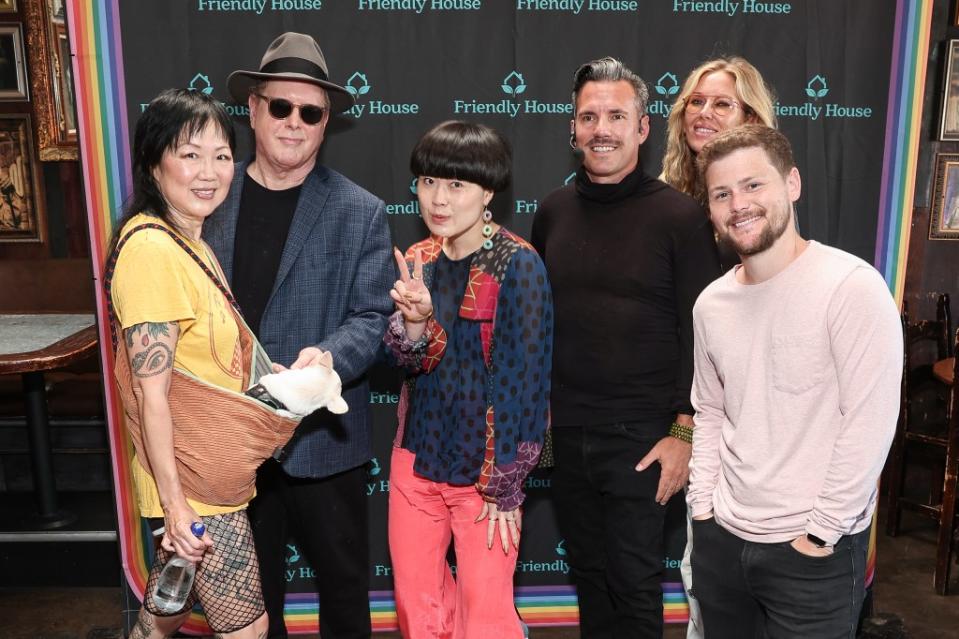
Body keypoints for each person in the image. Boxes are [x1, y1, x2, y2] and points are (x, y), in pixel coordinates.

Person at [203, 32, 394, 639]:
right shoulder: (208, 198)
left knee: (344, 598)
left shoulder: (359, 210)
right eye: (280, 107)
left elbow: (372, 319)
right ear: (253, 109)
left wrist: (327, 360)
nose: (293, 123)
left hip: (323, 440)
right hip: (232, 439)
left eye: (310, 112)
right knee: (251, 608)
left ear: (325, 121)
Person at [530, 57, 720, 638]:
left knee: (635, 586)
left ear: (642, 128)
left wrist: (684, 432)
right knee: (589, 577)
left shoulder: (681, 218)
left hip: (644, 438)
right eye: (589, 116)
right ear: (573, 129)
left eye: (617, 115)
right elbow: (539, 326)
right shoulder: (552, 212)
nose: (601, 128)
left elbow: (702, 335)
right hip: (567, 434)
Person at [689, 124, 902, 638]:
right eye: (722, 193)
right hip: (723, 538)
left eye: (753, 185)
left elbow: (870, 421)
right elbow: (711, 410)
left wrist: (822, 532)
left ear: (792, 184)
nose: (739, 203)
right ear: (712, 210)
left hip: (813, 552)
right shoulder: (711, 304)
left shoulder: (851, 287)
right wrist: (702, 511)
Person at [107, 89, 269, 638]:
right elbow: (152, 395)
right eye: (190, 153)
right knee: (248, 630)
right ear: (155, 164)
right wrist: (177, 511)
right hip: (193, 483)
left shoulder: (188, 241)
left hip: (197, 465)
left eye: (221, 155)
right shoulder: (152, 251)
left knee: (165, 613)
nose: (210, 171)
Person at [384, 120, 553, 639]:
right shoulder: (420, 259)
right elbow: (412, 363)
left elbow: (527, 383)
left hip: (484, 475)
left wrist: (505, 487)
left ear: (488, 192)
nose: (438, 198)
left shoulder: (516, 264)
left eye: (456, 184)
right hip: (416, 461)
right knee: (420, 612)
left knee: (486, 623)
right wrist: (413, 323)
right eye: (428, 181)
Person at [658, 56, 777, 637]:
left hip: (758, 419)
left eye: (722, 103)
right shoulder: (663, 200)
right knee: (704, 574)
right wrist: (685, 428)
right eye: (696, 102)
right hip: (701, 421)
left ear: (750, 116)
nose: (704, 113)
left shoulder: (762, 207)